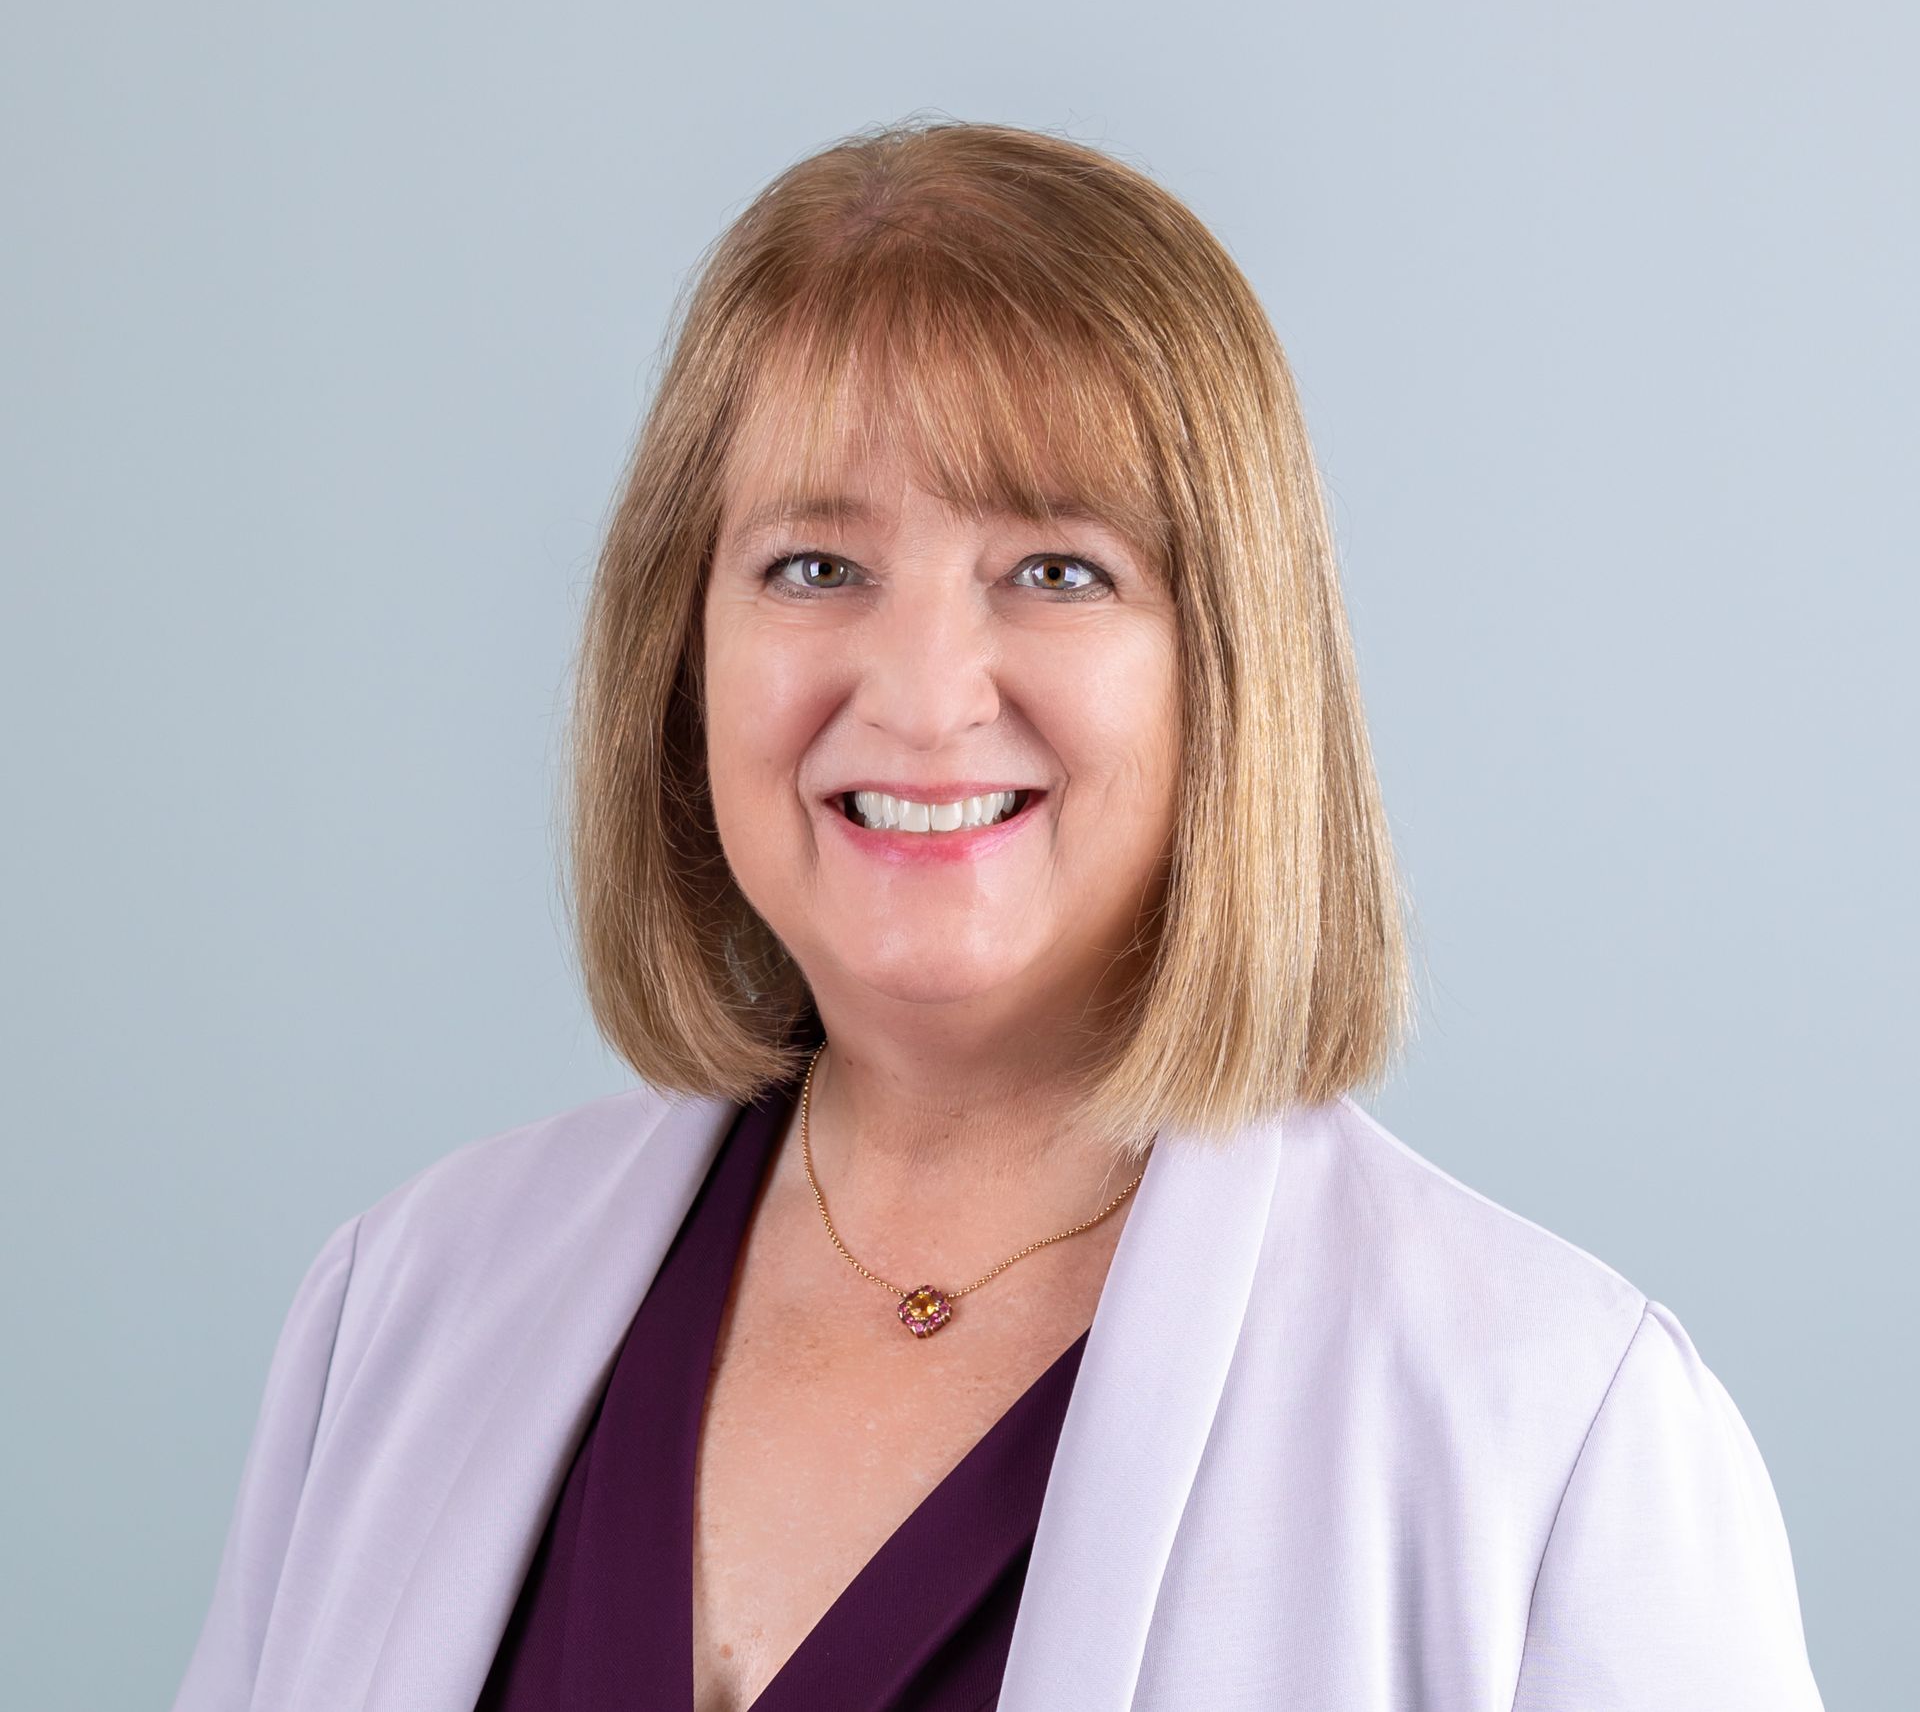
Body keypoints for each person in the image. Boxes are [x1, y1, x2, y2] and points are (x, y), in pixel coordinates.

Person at [172, 118, 1826, 1712]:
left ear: (1232, 675)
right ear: (681, 654)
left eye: (1056, 569)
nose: (921, 695)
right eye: (816, 566)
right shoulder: (398, 1307)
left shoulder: (1557, 1436)